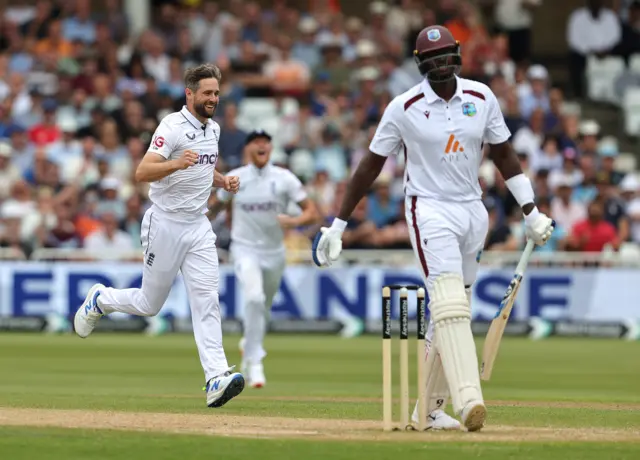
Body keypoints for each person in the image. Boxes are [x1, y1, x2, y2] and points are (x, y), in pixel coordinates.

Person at [312, 25, 554, 432]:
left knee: (454, 308)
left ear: (457, 55)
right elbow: (371, 166)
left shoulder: (481, 96)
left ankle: (427, 410)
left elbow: (505, 156)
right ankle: (468, 398)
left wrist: (530, 211)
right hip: (428, 210)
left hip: (473, 211)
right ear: (421, 62)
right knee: (447, 302)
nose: (441, 62)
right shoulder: (403, 106)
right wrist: (338, 224)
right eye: (433, 57)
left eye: (446, 54)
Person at [73, 63, 246, 409]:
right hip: (164, 223)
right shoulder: (171, 126)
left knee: (207, 299)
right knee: (149, 305)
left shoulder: (212, 129)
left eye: (216, 92)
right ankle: (101, 300)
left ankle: (215, 377)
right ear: (190, 94)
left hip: (198, 226)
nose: (213, 98)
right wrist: (175, 163)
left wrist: (222, 180)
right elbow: (143, 171)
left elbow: (203, 167)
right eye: (207, 93)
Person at [214, 130, 319, 388]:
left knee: (264, 308)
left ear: (271, 149)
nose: (261, 146)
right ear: (248, 149)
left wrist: (292, 221)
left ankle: (249, 345)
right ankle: (255, 362)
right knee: (254, 297)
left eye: (266, 143)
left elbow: (311, 212)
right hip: (244, 248)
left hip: (275, 253)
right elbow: (217, 205)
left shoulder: (284, 179)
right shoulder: (236, 177)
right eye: (256, 143)